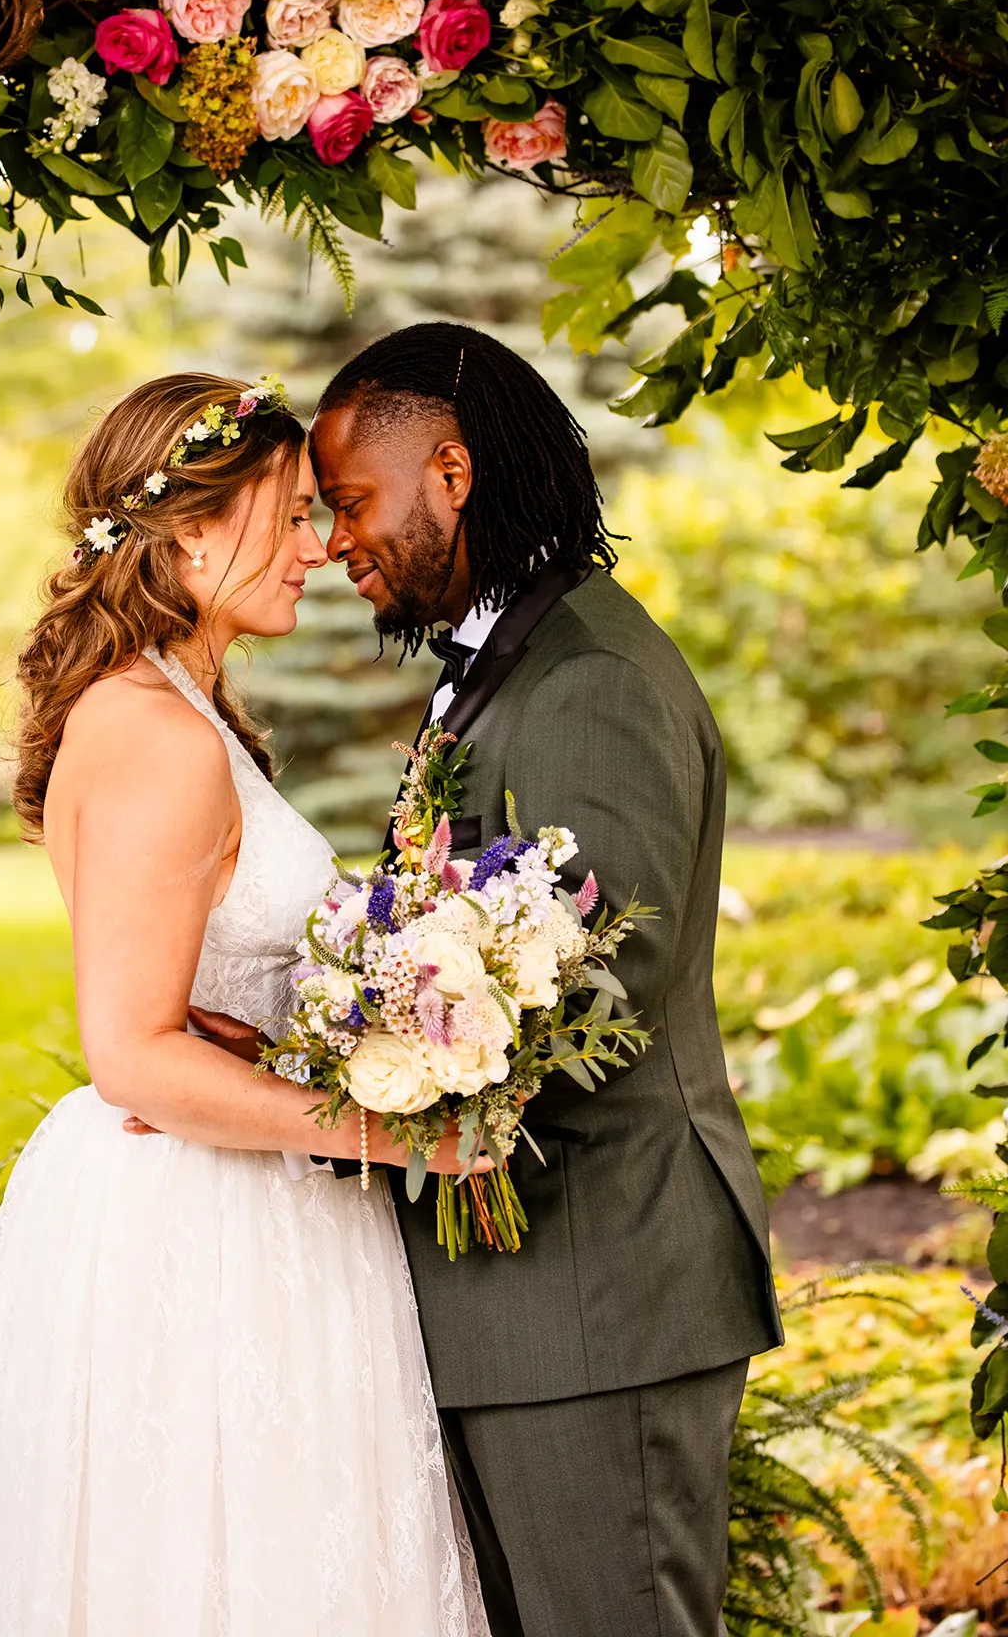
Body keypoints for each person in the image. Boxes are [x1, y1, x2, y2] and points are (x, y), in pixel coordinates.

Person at [0, 372, 490, 1637]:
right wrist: (402, 1133)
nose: (320, 547)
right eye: (285, 518)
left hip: (218, 1194)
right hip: (201, 1227)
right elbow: (134, 1058)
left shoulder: (168, 707)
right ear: (183, 535)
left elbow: (170, 1001)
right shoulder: (158, 737)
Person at [303, 323, 783, 1637]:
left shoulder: (587, 679)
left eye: (350, 500)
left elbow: (587, 1001)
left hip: (597, 1296)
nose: (335, 540)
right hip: (529, 1304)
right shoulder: (508, 660)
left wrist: (355, 1083)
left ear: (449, 475)